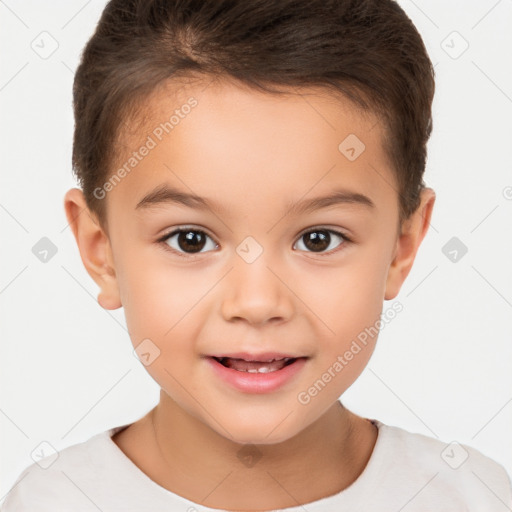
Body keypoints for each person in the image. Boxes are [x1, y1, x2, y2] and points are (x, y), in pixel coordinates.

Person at [3, 0, 511, 510]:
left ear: (403, 247)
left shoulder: (473, 498)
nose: (257, 302)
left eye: (319, 239)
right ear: (102, 252)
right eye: (190, 239)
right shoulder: (50, 501)